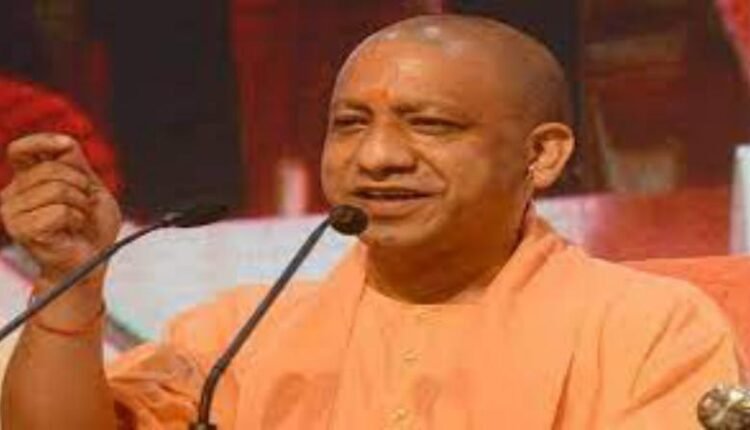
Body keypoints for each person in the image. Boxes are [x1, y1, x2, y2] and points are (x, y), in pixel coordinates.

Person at [0, 14, 740, 430]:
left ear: (542, 155)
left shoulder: (647, 327)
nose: (378, 157)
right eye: (350, 125)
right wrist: (71, 280)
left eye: (431, 124)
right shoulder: (241, 334)